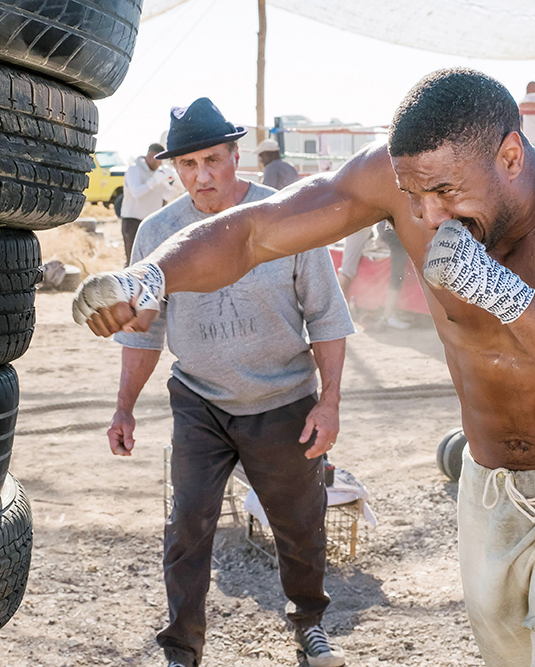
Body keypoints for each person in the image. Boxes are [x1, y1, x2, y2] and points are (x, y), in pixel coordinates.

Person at [73, 68, 535, 666]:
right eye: (412, 196)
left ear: (511, 156)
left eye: (445, 193)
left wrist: (509, 298)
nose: (425, 218)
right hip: (489, 485)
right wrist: (149, 276)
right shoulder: (405, 181)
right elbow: (256, 234)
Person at [97, 97, 353, 667]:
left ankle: (309, 624)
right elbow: (144, 332)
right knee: (188, 521)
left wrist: (329, 403)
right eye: (187, 165)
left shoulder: (286, 218)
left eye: (213, 160)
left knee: (299, 523)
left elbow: (327, 317)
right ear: (174, 169)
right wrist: (124, 409)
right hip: (200, 400)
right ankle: (182, 647)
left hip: (283, 398)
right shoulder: (158, 235)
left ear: (237, 155)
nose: (202, 176)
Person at [120, 142, 177, 263]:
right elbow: (136, 192)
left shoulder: (158, 173)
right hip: (133, 222)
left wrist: (176, 181)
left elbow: (168, 194)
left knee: (151, 261)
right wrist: (154, 180)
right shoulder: (134, 169)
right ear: (151, 156)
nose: (161, 163)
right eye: (159, 159)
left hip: (152, 223)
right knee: (133, 262)